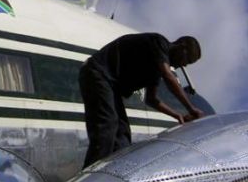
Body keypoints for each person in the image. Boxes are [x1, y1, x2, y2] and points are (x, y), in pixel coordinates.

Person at [80, 33, 204, 168]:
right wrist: (191, 108)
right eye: (187, 60)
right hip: (99, 73)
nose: (183, 65)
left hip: (111, 87)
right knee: (108, 127)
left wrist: (177, 115)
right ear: (182, 47)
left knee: (123, 137)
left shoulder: (155, 70)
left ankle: (110, 173)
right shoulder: (159, 42)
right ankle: (89, 175)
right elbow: (168, 77)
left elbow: (151, 99)